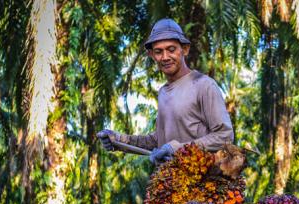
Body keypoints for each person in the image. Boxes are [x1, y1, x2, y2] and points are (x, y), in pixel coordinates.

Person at [97, 19, 234, 164]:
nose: (165, 57)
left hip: (202, 182)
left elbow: (224, 136)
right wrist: (118, 140)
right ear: (151, 55)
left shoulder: (204, 85)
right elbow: (158, 141)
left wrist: (178, 148)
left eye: (171, 49)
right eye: (158, 52)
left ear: (185, 49)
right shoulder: (163, 92)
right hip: (171, 182)